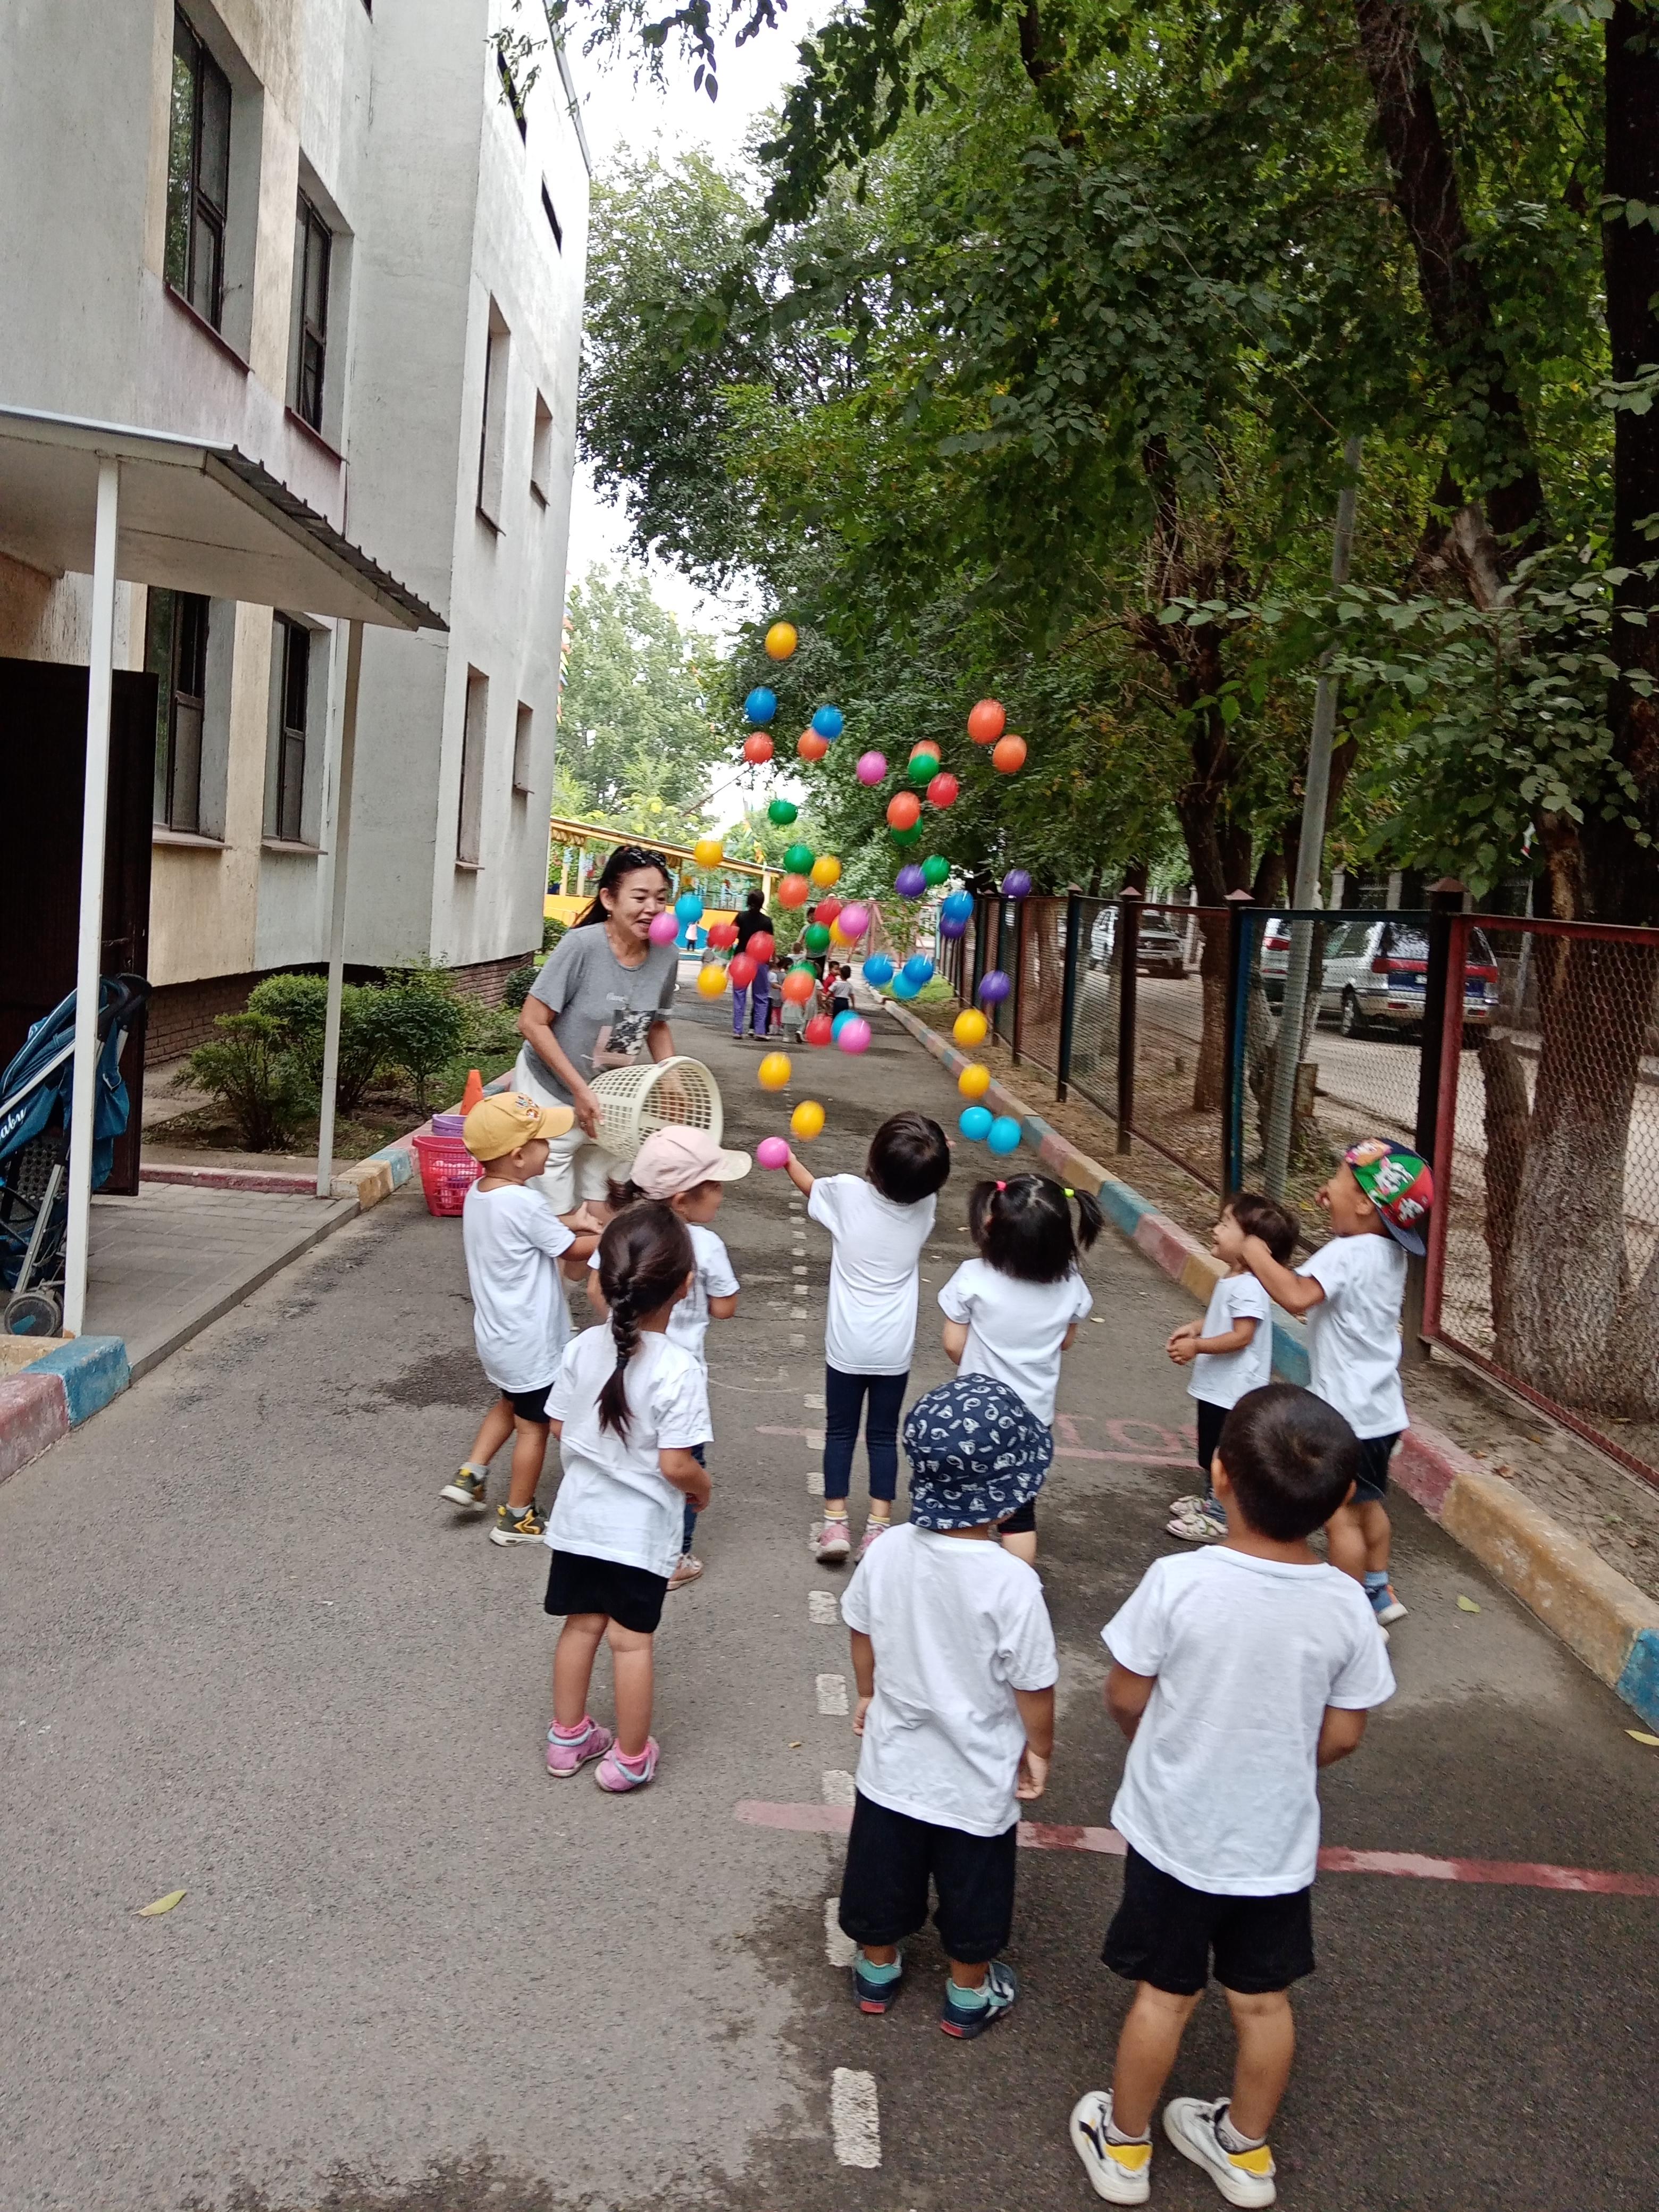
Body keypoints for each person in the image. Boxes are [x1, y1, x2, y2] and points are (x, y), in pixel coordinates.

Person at [1068, 1384, 1394, 2207]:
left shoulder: (1179, 1581)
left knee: (1166, 1995)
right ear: (1340, 1499)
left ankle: (1125, 2146)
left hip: (1176, 1829)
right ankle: (1245, 2153)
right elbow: (1348, 1734)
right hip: (1273, 1842)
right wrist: (1283, 1761)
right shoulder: (1347, 1608)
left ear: (1219, 1474)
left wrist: (1153, 1745)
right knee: (1261, 2001)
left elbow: (1125, 1692)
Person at [837, 1376, 1057, 2039]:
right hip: (977, 1774)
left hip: (893, 1765)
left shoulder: (890, 1551)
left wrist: (870, 1691)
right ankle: (967, 1994)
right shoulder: (1012, 1581)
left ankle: (877, 1972)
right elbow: (1035, 1683)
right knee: (974, 1887)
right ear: (1013, 1489)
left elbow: (861, 1628)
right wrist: (1039, 1745)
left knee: (881, 1873)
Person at [542, 1203, 712, 1792]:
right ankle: (630, 1757)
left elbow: (561, 1426)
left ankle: (567, 1737)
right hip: (637, 1533)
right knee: (631, 1639)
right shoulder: (679, 1368)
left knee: (581, 1624)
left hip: (579, 1519)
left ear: (602, 1278)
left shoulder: (580, 1348)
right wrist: (702, 1488)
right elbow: (676, 1462)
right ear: (685, 1287)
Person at [1235, 1141, 1432, 1627]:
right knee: (1369, 1506)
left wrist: (1255, 1251)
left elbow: (1297, 1296)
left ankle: (1348, 1615)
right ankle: (1378, 1590)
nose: (1326, 1191)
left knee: (1338, 1516)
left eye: (1337, 1182)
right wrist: (1341, 1199)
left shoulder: (1346, 1253)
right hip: (1382, 1415)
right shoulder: (1387, 1253)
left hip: (1344, 1417)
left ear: (1365, 1203)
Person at [781, 1110, 952, 1562]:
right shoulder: (925, 1209)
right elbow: (925, 1180)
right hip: (894, 1347)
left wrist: (787, 1159)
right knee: (882, 1434)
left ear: (872, 1163)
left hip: (847, 1345)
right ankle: (878, 1528)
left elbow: (809, 1185)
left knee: (839, 1431)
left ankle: (835, 1524)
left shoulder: (847, 1194)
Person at [588, 1126, 749, 1589]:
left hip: (619, 1364)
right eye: (714, 1185)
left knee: (627, 1454)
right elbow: (726, 1307)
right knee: (680, 1459)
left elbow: (598, 1290)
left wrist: (626, 1316)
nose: (721, 1194)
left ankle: (620, 1539)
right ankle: (674, 1557)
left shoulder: (621, 1231)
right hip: (681, 1375)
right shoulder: (707, 1246)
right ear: (682, 1200)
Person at [440, 1092, 600, 1543]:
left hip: (499, 1338)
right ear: (518, 1156)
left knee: (510, 1403)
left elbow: (534, 1227)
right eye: (543, 1141)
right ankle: (518, 1516)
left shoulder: (484, 1193)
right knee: (536, 1427)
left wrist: (574, 1219)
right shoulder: (524, 1204)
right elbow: (568, 1250)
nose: (550, 1146)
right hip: (532, 1342)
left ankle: (471, 1475)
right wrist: (617, 1236)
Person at [936, 1174, 1103, 1564]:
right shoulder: (1071, 1284)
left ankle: (964, 1578)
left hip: (975, 1415)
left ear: (993, 1228)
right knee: (1019, 1515)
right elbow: (1065, 1341)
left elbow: (952, 1343)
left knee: (968, 1503)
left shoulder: (973, 1277)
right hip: (1033, 1419)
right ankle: (1018, 1589)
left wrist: (977, 1361)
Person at [514, 847, 681, 1220]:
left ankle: (593, 1276)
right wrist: (579, 1090)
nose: (652, 908)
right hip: (550, 1090)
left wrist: (670, 1077)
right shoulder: (581, 946)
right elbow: (531, 1022)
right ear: (609, 898)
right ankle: (552, 1271)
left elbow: (654, 1023)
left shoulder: (666, 956)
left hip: (613, 1097)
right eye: (640, 897)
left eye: (661, 899)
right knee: (556, 1214)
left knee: (603, 1208)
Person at [1164, 1193, 1299, 1545]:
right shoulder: (1233, 1278)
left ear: (1255, 1246)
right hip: (1218, 1386)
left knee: (1226, 1452)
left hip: (1234, 1391)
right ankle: (1212, 1500)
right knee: (1211, 1447)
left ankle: (1222, 1516)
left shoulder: (1251, 1287)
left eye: (1226, 1225)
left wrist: (1197, 1346)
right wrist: (1198, 1326)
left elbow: (1241, 1336)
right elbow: (1223, 1319)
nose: (1216, 1229)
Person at [732, 890, 772, 1040]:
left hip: (741, 959)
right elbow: (770, 943)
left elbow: (733, 934)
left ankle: (737, 1030)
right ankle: (760, 1031)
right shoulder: (766, 921)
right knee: (761, 996)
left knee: (739, 995)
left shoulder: (741, 917)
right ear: (762, 903)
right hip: (760, 961)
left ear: (748, 901)